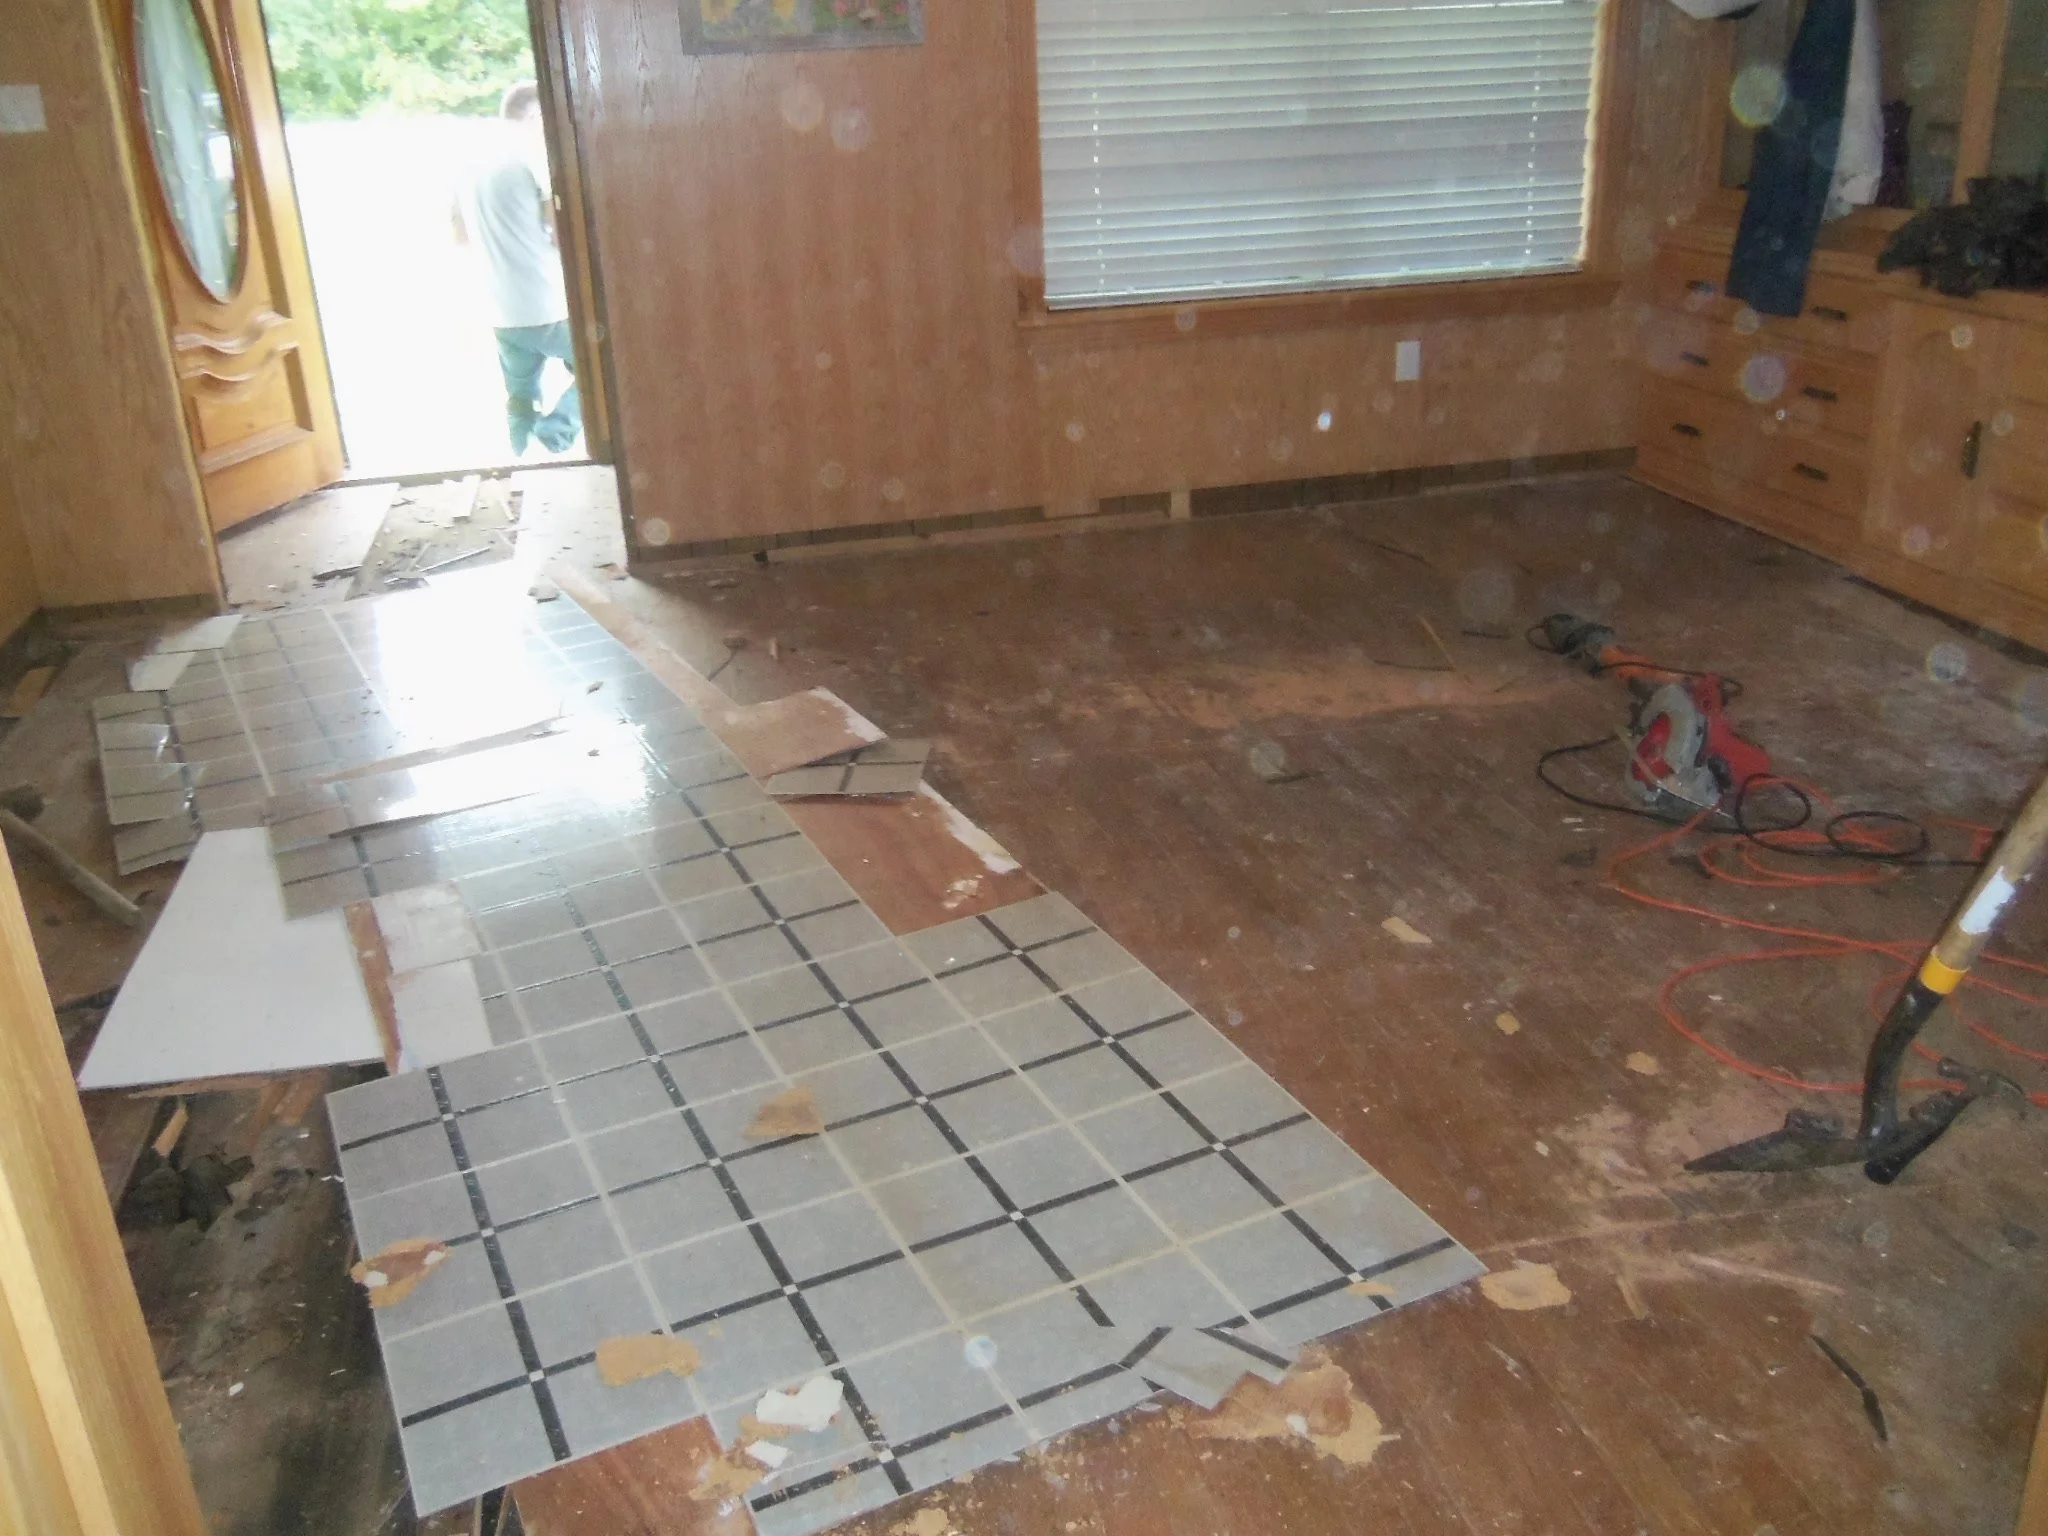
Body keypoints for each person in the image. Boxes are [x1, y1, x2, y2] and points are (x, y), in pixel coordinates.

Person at [453, 82, 581, 455]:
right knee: (604, 369)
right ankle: (553, 436)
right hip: (546, 302)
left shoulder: (470, 164)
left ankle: (523, 458)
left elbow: (460, 236)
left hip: (500, 308)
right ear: (536, 115)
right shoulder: (532, 154)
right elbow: (562, 233)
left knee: (522, 396)